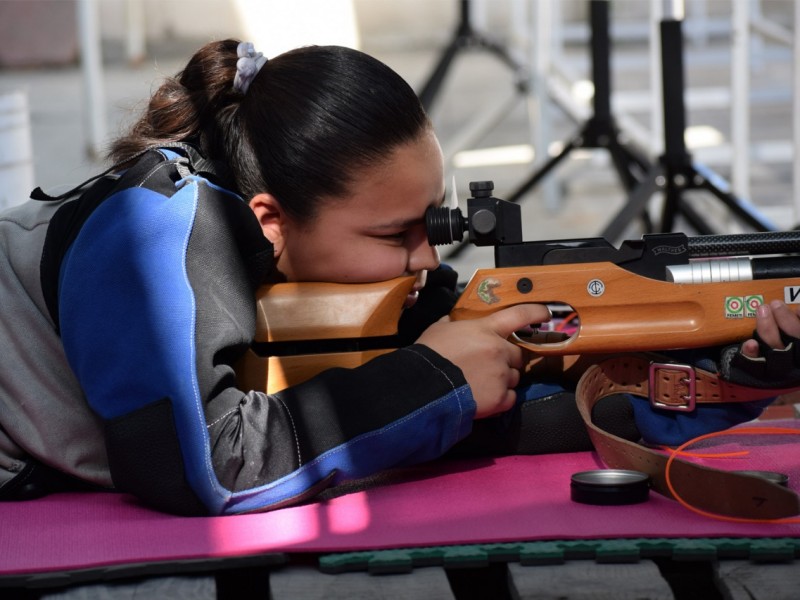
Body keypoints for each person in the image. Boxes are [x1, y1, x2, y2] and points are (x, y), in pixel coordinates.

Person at [0, 40, 797, 516]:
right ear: (272, 219)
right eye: (395, 236)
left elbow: (525, 412)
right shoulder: (151, 231)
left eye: (434, 223)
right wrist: (438, 375)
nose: (429, 259)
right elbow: (211, 466)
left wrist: (738, 366)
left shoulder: (317, 279)